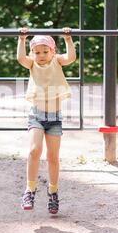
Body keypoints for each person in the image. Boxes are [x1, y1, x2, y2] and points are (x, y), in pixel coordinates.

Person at [17, 27, 76, 214]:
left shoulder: (57, 61)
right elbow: (21, 58)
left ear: (52, 51)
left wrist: (68, 39)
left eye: (45, 51)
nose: (41, 55)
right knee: (34, 150)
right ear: (32, 53)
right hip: (37, 115)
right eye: (37, 52)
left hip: (55, 118)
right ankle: (30, 189)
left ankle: (52, 192)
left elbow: (71, 58)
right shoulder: (32, 64)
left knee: (52, 157)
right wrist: (22, 39)